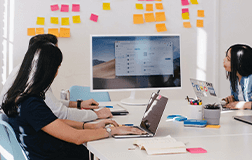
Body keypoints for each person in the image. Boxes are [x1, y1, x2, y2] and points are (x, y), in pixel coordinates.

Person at [1, 41, 145, 160]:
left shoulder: (20, 97)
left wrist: (91, 126)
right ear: (49, 70)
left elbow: (51, 122)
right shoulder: (31, 103)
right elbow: (76, 138)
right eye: (57, 67)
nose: (57, 72)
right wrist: (113, 131)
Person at [0, 34, 112, 122]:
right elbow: (60, 113)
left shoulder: (23, 70)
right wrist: (96, 114)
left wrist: (78, 104)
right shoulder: (34, 77)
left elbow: (48, 103)